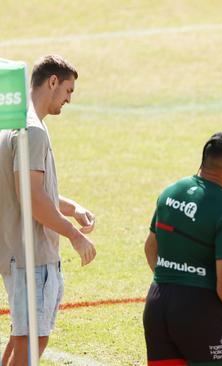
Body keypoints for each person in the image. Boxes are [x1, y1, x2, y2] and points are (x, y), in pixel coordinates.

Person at [0, 54, 97, 366]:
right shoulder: (34, 132)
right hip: (33, 256)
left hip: (15, 251)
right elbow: (31, 198)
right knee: (33, 338)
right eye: (68, 91)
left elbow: (30, 191)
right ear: (52, 82)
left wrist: (72, 208)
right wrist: (73, 235)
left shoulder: (13, 124)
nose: (68, 100)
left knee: (22, 335)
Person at [143, 132, 222, 366]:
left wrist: (173, 278)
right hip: (200, 310)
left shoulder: (170, 192)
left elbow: (151, 248)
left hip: (157, 303)